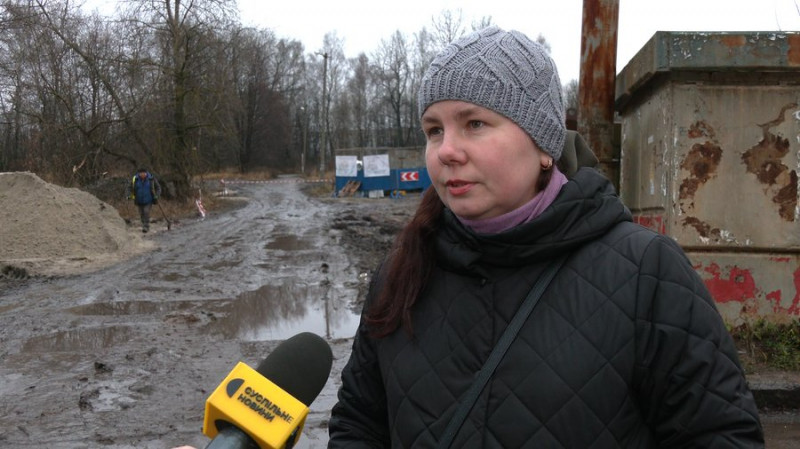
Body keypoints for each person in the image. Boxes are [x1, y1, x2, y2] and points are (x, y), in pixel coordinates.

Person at [327, 26, 764, 448]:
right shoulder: (402, 271)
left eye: (474, 123)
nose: (446, 151)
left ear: (543, 145)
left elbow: (719, 434)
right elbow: (359, 424)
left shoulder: (646, 272)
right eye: (434, 129)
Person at [130, 167, 161, 233]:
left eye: (144, 173)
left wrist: (157, 195)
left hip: (149, 200)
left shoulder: (151, 179)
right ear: (139, 174)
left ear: (146, 173)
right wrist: (128, 195)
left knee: (146, 212)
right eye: (141, 173)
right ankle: (144, 224)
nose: (142, 174)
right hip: (139, 200)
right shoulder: (135, 179)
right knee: (141, 213)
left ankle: (146, 226)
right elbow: (129, 187)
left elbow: (158, 187)